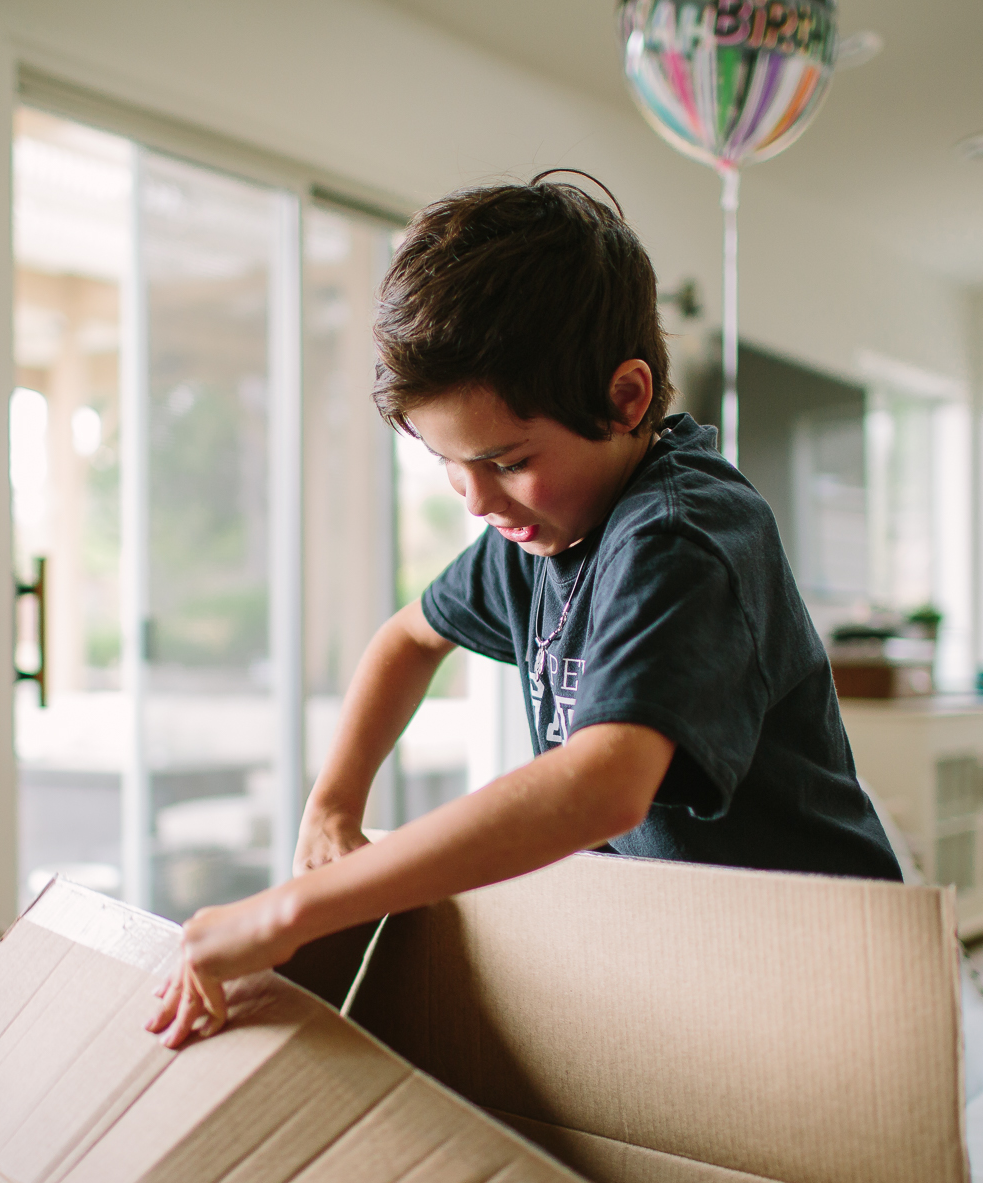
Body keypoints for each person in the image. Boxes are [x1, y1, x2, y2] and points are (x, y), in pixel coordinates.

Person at [149, 174, 898, 1048]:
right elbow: (407, 638)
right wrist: (332, 805)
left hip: (830, 973)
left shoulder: (680, 533)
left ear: (625, 398)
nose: (476, 501)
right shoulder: (541, 531)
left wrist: (289, 911)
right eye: (448, 463)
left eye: (505, 459)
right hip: (703, 954)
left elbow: (603, 786)